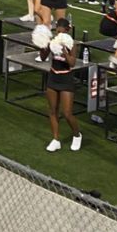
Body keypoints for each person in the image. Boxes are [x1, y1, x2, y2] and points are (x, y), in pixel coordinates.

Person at [43, 18, 82, 153]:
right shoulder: (53, 42)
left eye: (61, 31)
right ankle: (55, 140)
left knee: (67, 113)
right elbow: (43, 57)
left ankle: (77, 135)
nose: (59, 33)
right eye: (57, 31)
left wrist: (64, 51)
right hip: (53, 77)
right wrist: (46, 45)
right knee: (53, 110)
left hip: (66, 79)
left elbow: (72, 63)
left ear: (67, 30)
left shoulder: (72, 44)